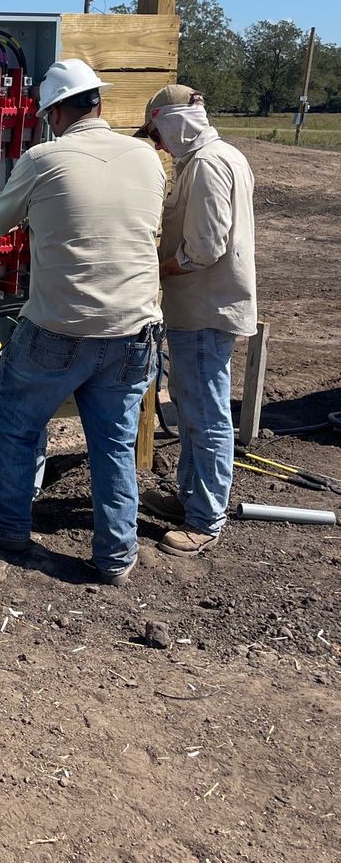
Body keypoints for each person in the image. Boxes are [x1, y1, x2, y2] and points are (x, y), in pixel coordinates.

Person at [0, 58, 166, 584]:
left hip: (60, 329)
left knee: (17, 422)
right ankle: (117, 556)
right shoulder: (146, 158)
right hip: (134, 332)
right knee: (114, 443)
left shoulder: (43, 156)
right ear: (98, 102)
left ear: (53, 112)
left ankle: (7, 527)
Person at [136, 85, 257, 555]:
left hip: (205, 308)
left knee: (205, 415)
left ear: (171, 121)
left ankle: (206, 519)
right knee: (192, 410)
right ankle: (191, 499)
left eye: (158, 133)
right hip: (204, 307)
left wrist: (154, 267)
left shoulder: (207, 165)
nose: (158, 144)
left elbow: (205, 249)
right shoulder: (222, 156)